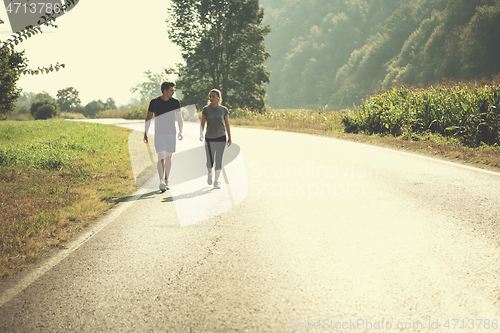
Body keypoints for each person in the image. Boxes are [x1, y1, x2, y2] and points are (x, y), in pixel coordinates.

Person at [144, 81, 184, 192]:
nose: (173, 92)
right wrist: (145, 133)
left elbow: (179, 118)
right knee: (161, 155)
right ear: (165, 91)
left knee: (168, 157)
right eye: (171, 90)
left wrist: (181, 131)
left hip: (171, 132)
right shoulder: (154, 102)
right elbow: (148, 117)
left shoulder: (175, 102)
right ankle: (161, 181)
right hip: (159, 133)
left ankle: (167, 180)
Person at [199, 89, 232, 189]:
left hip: (221, 137)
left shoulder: (224, 110)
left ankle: (216, 181)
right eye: (210, 96)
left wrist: (230, 137)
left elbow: (227, 124)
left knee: (219, 159)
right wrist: (201, 133)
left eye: (213, 96)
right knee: (210, 159)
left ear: (219, 97)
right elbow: (202, 123)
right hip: (209, 137)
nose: (211, 98)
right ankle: (210, 174)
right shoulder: (206, 109)